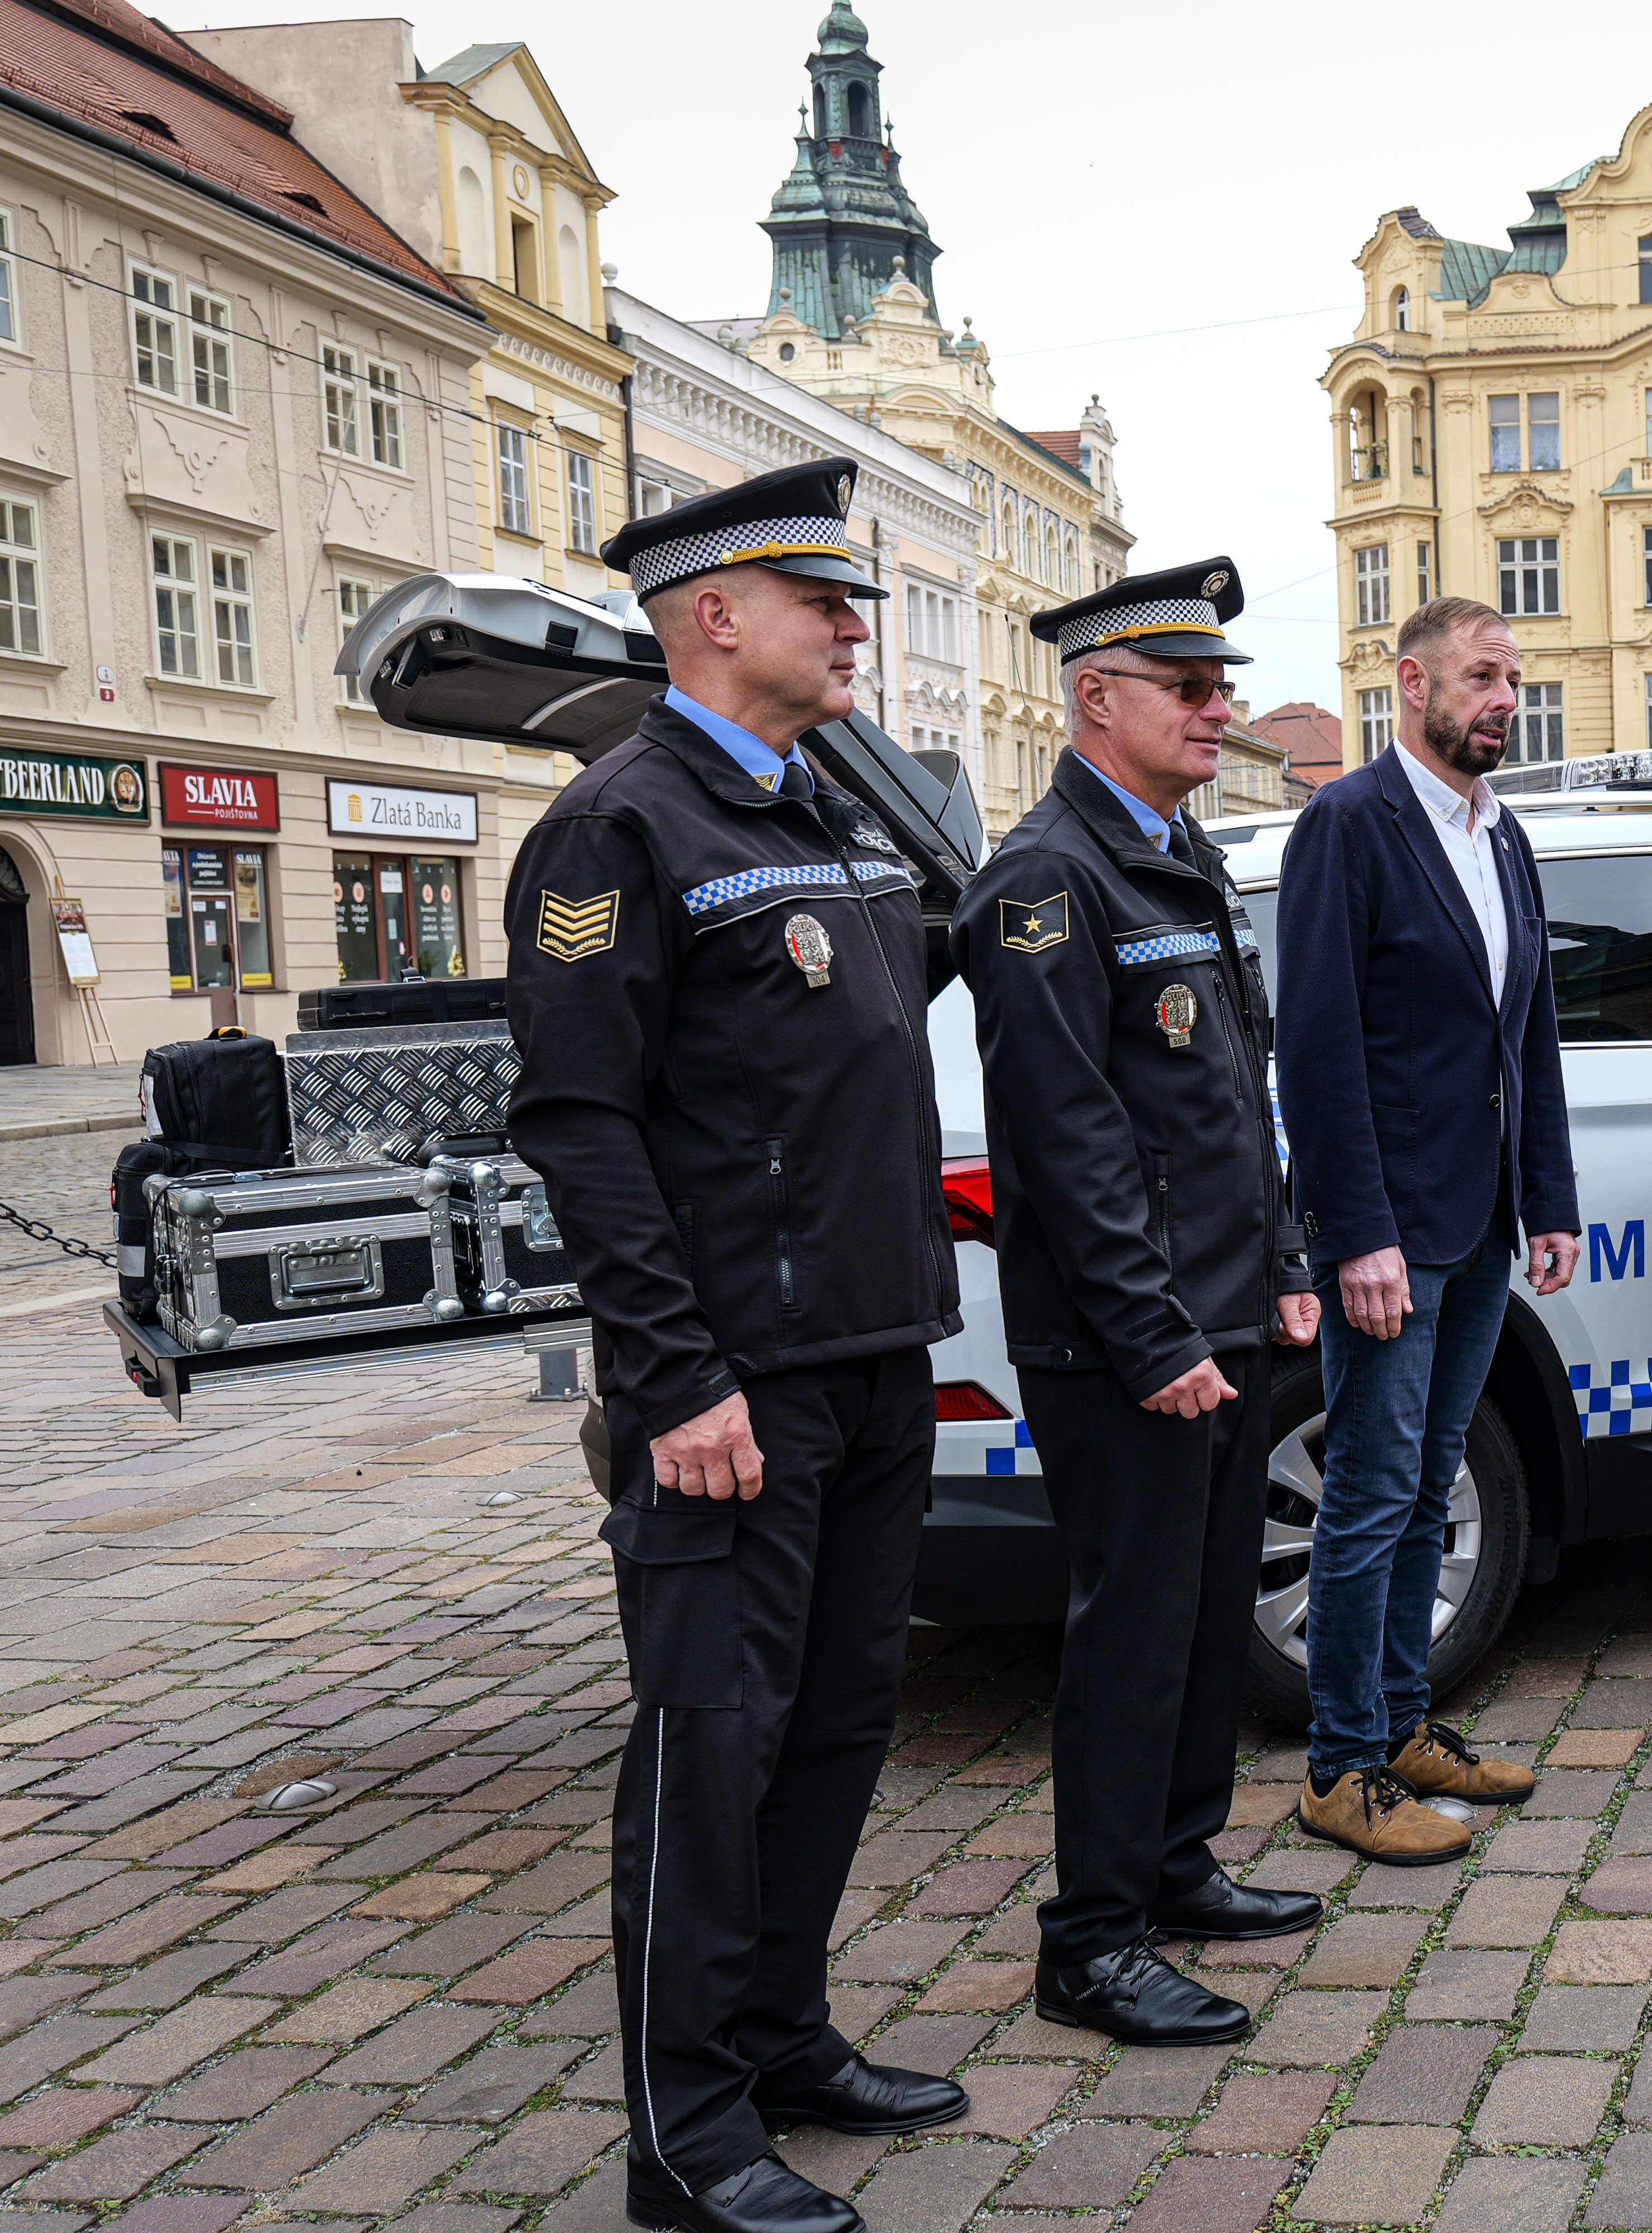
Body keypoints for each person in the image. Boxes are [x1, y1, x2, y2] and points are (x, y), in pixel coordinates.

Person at [510, 461, 966, 2233]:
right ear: (714, 615)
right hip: (735, 1383)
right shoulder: (618, 827)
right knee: (713, 1743)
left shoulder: (819, 815)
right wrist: (676, 1373)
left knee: (838, 1722)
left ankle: (782, 2035)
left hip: (867, 1348)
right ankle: (682, 2131)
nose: (855, 625)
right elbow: (581, 1119)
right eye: (820, 599)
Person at [951, 557, 1327, 2050]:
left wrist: (1285, 1268)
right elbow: (1070, 1136)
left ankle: (1177, 1867)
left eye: (1222, 684)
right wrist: (1154, 1333)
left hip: (1226, 1317)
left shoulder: (1177, 855)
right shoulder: (1047, 880)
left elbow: (1239, 1094)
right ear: (1097, 698)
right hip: (1129, 1342)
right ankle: (1092, 1940)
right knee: (1127, 1638)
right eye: (1191, 688)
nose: (1217, 708)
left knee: (1195, 1622)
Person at [1277, 597, 1579, 1863]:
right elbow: (1321, 1043)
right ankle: (1341, 1765)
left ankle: (1405, 1725)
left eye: (1513, 675)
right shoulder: (1350, 825)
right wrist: (1356, 1235)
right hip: (1395, 1232)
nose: (1503, 695)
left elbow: (1532, 1033)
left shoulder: (1499, 833)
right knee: (1370, 1493)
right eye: (1479, 675)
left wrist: (1549, 1198)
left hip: (1482, 1222)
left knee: (1424, 1494)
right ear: (1411, 683)